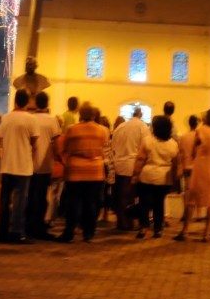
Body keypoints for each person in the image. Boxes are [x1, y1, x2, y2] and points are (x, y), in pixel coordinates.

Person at [57, 103, 108, 243]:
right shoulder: (101, 130)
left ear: (80, 114)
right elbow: (103, 148)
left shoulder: (73, 129)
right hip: (95, 171)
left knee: (73, 203)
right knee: (91, 203)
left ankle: (69, 233)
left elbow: (66, 147)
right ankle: (89, 233)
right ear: (93, 115)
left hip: (76, 170)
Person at [175, 108, 210, 242]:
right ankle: (206, 233)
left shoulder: (201, 130)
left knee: (193, 197)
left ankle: (185, 230)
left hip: (202, 165)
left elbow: (193, 150)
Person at [0, 89, 39, 244]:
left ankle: (2, 231)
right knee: (20, 201)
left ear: (15, 101)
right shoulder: (31, 119)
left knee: (5, 200)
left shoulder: (6, 118)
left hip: (7, 164)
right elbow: (35, 143)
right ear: (28, 101)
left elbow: (0, 140)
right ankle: (16, 232)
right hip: (23, 165)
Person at [132, 115, 179, 238]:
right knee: (159, 203)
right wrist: (174, 178)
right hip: (164, 178)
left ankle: (144, 227)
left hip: (147, 176)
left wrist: (135, 174)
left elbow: (140, 159)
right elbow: (175, 164)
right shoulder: (173, 144)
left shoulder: (148, 141)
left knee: (144, 203)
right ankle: (158, 229)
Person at [26, 91, 60, 239]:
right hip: (45, 165)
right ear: (48, 103)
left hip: (29, 164)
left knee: (30, 196)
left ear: (35, 103)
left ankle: (28, 225)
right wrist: (58, 158)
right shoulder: (52, 120)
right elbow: (56, 144)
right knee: (41, 197)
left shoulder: (30, 119)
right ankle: (39, 227)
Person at [111, 107, 148, 231]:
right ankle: (127, 222)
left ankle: (121, 221)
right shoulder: (142, 127)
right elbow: (145, 147)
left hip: (118, 164)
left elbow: (113, 146)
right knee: (129, 196)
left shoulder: (120, 127)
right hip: (132, 164)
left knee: (119, 195)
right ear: (140, 114)